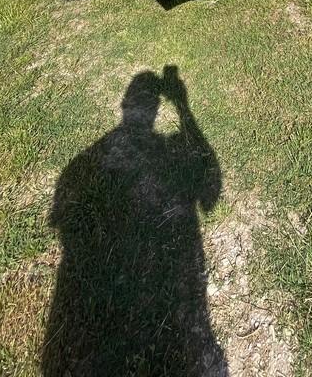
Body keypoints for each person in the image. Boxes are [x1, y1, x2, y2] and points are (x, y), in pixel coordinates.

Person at [42, 67, 227, 376]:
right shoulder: (86, 164)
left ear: (126, 106)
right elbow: (210, 195)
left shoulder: (80, 166)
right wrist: (183, 107)